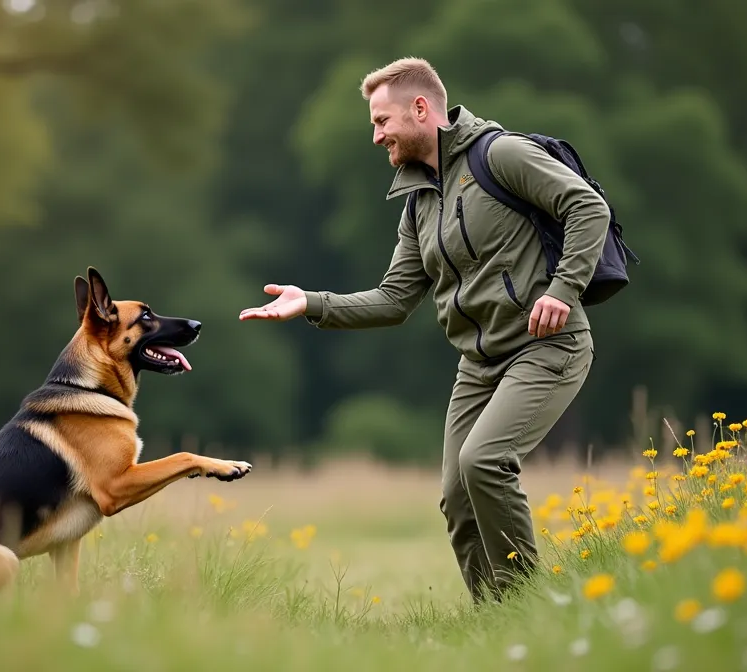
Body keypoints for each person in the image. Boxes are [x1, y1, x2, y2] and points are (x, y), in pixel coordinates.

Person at [238, 57, 610, 604]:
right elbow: (393, 300)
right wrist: (311, 303)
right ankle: (498, 619)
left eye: (382, 121)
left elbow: (587, 206)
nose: (376, 135)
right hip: (478, 366)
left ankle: (532, 608)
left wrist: (562, 289)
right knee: (457, 498)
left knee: (483, 462)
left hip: (546, 347)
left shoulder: (500, 155)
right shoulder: (418, 202)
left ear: (420, 109)